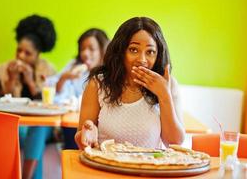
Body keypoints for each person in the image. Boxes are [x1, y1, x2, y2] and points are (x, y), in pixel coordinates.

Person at [75, 17, 185, 150]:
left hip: (149, 168)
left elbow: (174, 143)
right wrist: (86, 135)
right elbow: (81, 138)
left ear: (158, 56)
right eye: (133, 50)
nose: (142, 59)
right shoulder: (98, 84)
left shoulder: (168, 85)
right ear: (120, 51)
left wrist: (164, 96)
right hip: (105, 167)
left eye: (150, 52)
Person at [0, 15, 56, 179]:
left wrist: (30, 81)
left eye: (28, 53)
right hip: (18, 125)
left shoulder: (48, 69)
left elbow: (49, 103)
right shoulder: (4, 69)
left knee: (39, 126)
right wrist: (11, 79)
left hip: (43, 127)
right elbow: (0, 102)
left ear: (38, 54)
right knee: (30, 136)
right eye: (18, 50)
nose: (21, 56)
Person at [54, 28, 109, 149]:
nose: (85, 53)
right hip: (72, 121)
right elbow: (55, 93)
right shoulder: (74, 65)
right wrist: (64, 77)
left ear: (102, 50)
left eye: (91, 49)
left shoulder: (109, 74)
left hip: (98, 124)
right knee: (70, 131)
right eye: (82, 49)